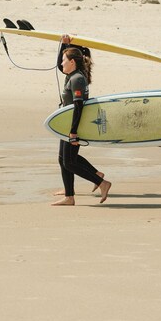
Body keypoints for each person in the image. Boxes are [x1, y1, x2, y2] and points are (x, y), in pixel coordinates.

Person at [52, 44, 111, 206]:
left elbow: (79, 107)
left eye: (64, 60)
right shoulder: (73, 75)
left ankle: (101, 182)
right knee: (63, 159)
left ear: (72, 62)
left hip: (73, 125)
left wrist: (73, 131)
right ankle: (69, 196)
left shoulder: (77, 79)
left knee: (69, 162)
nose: (61, 64)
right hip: (66, 124)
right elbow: (59, 65)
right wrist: (64, 45)